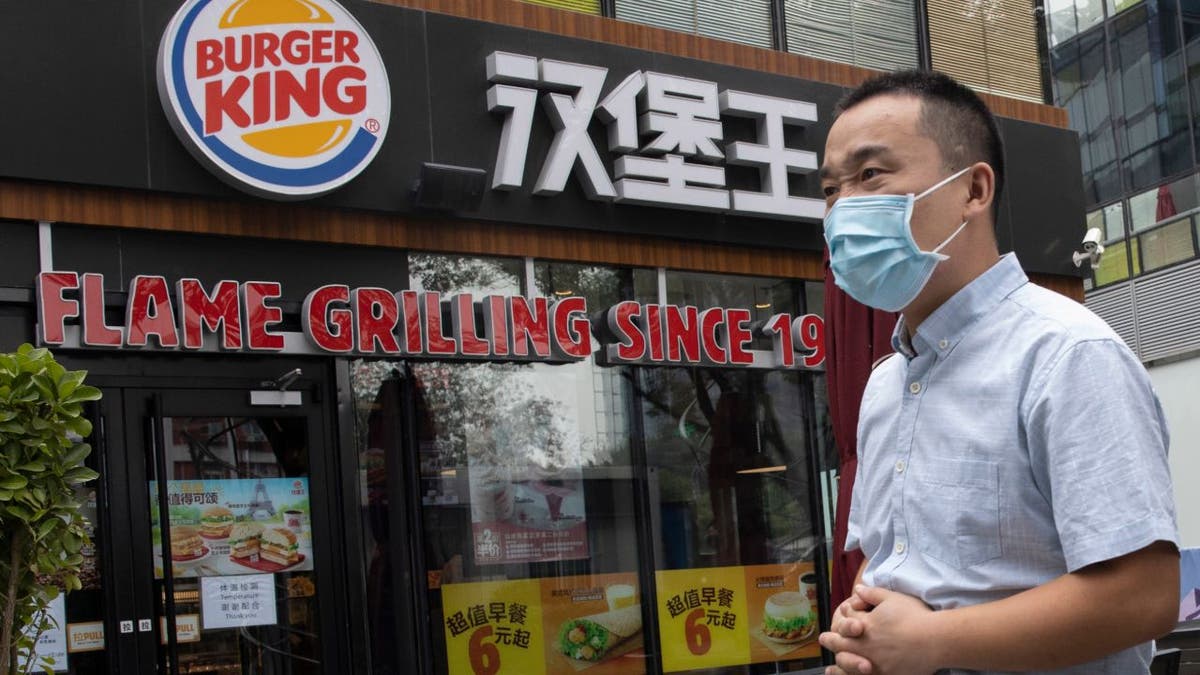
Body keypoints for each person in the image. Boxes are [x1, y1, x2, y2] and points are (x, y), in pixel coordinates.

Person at [816, 70, 1179, 674]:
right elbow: (892, 571)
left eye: (870, 175)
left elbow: (1141, 593)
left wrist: (931, 641)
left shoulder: (1066, 354)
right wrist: (864, 635)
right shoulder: (885, 383)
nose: (843, 208)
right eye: (831, 189)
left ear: (974, 189)